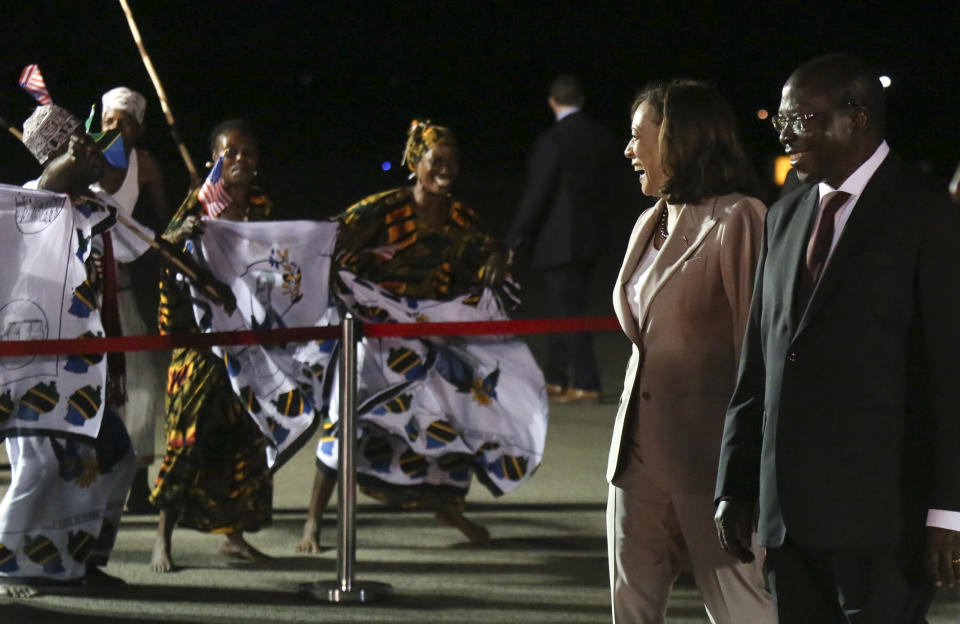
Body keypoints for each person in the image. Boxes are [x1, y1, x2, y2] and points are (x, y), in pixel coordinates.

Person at [714, 54, 960, 623]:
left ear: (855, 117)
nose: (781, 132)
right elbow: (760, 363)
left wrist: (948, 512)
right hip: (787, 521)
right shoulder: (785, 214)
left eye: (797, 118)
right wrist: (736, 480)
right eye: (778, 120)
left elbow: (950, 376)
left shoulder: (927, 215)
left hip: (882, 523)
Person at [297, 120, 547, 552]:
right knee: (347, 415)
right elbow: (325, 238)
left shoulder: (461, 216)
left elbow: (489, 249)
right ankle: (313, 523)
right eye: (437, 159)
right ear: (416, 163)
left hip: (432, 338)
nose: (446, 167)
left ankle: (448, 508)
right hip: (374, 335)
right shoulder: (382, 209)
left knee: (451, 416)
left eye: (453, 160)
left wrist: (500, 256)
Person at [607, 80, 775, 623]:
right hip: (635, 459)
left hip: (711, 463)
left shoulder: (740, 216)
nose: (630, 150)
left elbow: (759, 350)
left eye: (639, 137)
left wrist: (749, 470)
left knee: (742, 609)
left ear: (680, 139)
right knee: (632, 609)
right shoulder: (647, 220)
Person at [0, 105, 138, 597]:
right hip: (32, 366)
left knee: (115, 457)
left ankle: (82, 560)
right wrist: (63, 168)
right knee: (40, 468)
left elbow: (131, 245)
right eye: (79, 143)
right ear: (58, 153)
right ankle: (9, 567)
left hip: (81, 366)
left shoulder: (89, 207)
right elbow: (46, 189)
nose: (94, 151)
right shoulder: (27, 204)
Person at [149, 120, 274, 573]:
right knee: (188, 437)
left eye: (249, 153)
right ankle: (162, 538)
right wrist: (181, 239)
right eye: (232, 152)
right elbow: (165, 253)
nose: (241, 160)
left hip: (246, 341)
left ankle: (232, 536)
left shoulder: (262, 207)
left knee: (243, 438)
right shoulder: (198, 204)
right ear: (214, 159)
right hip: (201, 343)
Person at [506, 75, 620, 403]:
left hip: (558, 243)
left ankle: (587, 383)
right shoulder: (601, 137)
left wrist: (515, 239)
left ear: (552, 102)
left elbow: (537, 195)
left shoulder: (552, 141)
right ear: (581, 100)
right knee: (566, 309)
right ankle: (555, 379)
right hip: (593, 240)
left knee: (567, 313)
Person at [90, 86, 170, 513]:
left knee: (140, 388)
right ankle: (89, 478)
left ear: (138, 129)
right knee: (90, 387)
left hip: (122, 294)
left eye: (124, 122)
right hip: (80, 300)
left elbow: (165, 224)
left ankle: (138, 484)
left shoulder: (145, 166)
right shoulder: (82, 162)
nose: (115, 128)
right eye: (108, 121)